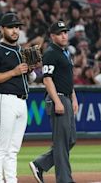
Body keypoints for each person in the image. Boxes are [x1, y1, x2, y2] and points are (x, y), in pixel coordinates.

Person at [0, 12, 38, 183]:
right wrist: (14, 72)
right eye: (11, 27)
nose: (15, 31)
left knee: (13, 149)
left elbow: (32, 78)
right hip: (4, 100)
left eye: (17, 27)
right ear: (2, 29)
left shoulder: (22, 50)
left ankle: (11, 180)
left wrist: (30, 71)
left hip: (22, 101)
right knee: (0, 148)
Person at [29, 21, 79, 183]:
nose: (64, 35)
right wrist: (57, 101)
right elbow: (47, 79)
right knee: (62, 141)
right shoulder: (51, 53)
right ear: (52, 36)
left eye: (65, 32)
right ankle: (65, 180)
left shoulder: (64, 52)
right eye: (60, 33)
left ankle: (40, 164)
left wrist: (74, 97)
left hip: (66, 96)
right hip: (57, 97)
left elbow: (67, 78)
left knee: (70, 139)